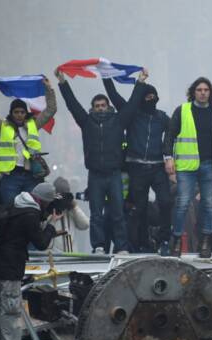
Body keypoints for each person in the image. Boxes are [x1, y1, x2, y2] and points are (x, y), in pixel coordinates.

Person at [56, 68, 149, 254]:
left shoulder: (119, 120)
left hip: (114, 174)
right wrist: (62, 82)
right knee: (96, 215)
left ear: (108, 107)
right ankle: (98, 246)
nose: (100, 108)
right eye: (97, 106)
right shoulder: (86, 121)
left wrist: (140, 81)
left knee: (118, 214)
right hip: (95, 176)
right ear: (92, 108)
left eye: (103, 105)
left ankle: (121, 247)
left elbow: (131, 104)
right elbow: (72, 104)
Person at [0, 182, 60, 340]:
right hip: (10, 267)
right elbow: (41, 243)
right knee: (10, 310)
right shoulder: (30, 215)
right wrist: (51, 226)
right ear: (43, 201)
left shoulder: (15, 205)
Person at [103, 75, 173, 254]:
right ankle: (142, 243)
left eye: (153, 97)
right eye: (147, 97)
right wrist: (106, 77)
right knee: (139, 209)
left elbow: (174, 134)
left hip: (157, 166)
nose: (150, 100)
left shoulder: (163, 118)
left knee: (165, 201)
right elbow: (114, 96)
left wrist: (169, 158)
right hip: (136, 167)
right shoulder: (132, 114)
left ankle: (163, 238)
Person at [163, 77, 212, 258]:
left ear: (210, 93)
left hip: (209, 165)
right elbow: (169, 135)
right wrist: (168, 158)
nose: (203, 93)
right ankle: (176, 240)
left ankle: (205, 242)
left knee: (208, 205)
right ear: (193, 92)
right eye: (199, 90)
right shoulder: (183, 111)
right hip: (186, 166)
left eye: (206, 90)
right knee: (183, 203)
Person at [0, 77, 57, 205]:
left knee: (32, 208)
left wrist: (49, 89)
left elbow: (51, 110)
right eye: (16, 112)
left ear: (26, 113)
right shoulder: (2, 126)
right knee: (10, 209)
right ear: (11, 113)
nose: (19, 114)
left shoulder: (34, 125)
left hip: (31, 175)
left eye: (22, 112)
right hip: (11, 176)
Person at [48, 177, 89, 252]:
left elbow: (85, 225)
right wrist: (53, 206)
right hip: (53, 255)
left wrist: (74, 207)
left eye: (66, 193)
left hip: (71, 256)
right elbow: (42, 227)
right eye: (61, 193)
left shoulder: (71, 209)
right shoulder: (49, 207)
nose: (63, 197)